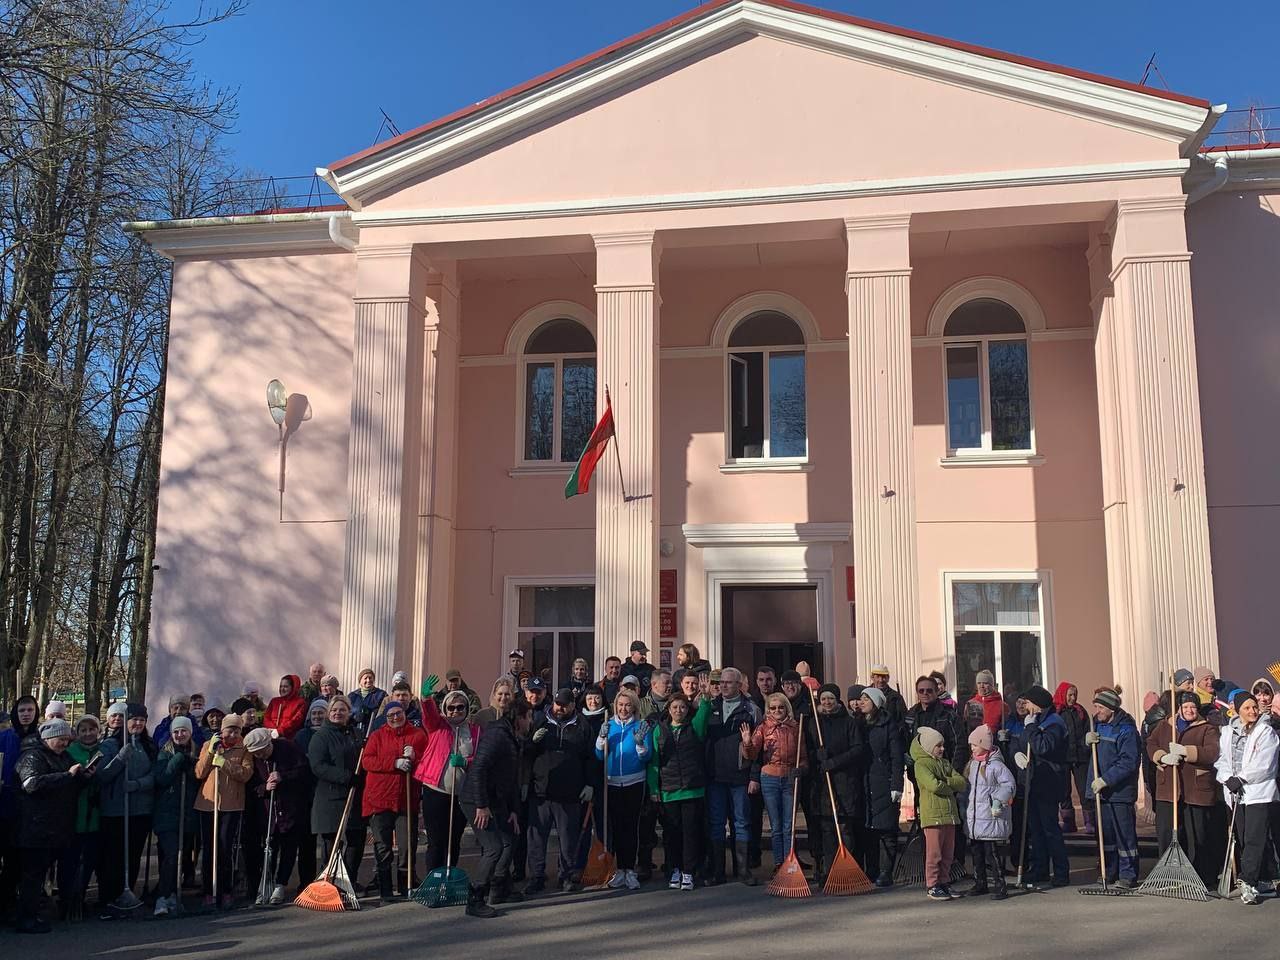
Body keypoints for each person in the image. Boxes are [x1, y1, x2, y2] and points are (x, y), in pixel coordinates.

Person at [460, 697, 533, 918]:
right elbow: (479, 769)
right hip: (475, 799)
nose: (531, 722)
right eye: (529, 717)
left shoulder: (511, 737)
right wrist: (481, 806)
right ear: (519, 718)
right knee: (494, 848)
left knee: (511, 838)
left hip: (496, 799)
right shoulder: (497, 735)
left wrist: (513, 810)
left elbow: (509, 779)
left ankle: (499, 887)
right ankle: (475, 897)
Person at [13, 718, 88, 934]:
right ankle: (26, 918)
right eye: (60, 739)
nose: (65, 743)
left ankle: (36, 913)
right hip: (35, 827)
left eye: (67, 739)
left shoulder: (63, 756)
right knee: (32, 876)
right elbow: (31, 784)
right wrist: (67, 775)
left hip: (55, 827)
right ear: (47, 738)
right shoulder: (32, 756)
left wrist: (83, 777)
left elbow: (70, 785)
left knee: (40, 875)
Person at [1147, 690, 1222, 886]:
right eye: (1185, 707)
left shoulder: (1207, 728)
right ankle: (1169, 875)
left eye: (1193, 707)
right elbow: (1151, 743)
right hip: (1169, 789)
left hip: (1195, 790)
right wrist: (1162, 756)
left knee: (1196, 835)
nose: (1189, 710)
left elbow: (1212, 752)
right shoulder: (1165, 725)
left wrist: (1187, 752)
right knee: (1168, 833)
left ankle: (1199, 877)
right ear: (1179, 708)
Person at [527, 687, 595, 893]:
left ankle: (565, 876)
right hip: (541, 790)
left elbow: (590, 757)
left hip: (570, 792)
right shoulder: (540, 721)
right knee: (537, 837)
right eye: (558, 704)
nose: (560, 708)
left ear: (573, 705)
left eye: (565, 705)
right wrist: (532, 743)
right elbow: (526, 753)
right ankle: (537, 876)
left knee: (567, 838)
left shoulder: (582, 725)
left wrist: (590, 783)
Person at [1216, 689, 1279, 904]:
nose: (1252, 711)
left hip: (1259, 793)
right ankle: (1268, 877)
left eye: (1254, 707)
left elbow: (1265, 764)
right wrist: (1227, 778)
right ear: (1237, 711)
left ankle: (1248, 881)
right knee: (1244, 837)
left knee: (1254, 837)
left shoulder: (1265, 731)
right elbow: (1223, 759)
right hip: (1236, 793)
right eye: (1247, 708)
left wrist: (1242, 778)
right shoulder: (1227, 732)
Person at [360, 700, 428, 902]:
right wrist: (394, 763)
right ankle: (386, 890)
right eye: (391, 715)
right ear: (386, 717)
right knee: (383, 846)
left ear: (405, 714)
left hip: (406, 800)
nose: (395, 718)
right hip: (380, 799)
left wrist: (415, 757)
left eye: (398, 713)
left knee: (407, 846)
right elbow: (367, 761)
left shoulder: (418, 735)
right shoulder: (377, 736)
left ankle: (406, 885)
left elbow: (426, 761)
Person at [96, 703, 157, 918]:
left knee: (133, 855)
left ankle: (127, 893)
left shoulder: (149, 745)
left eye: (141, 720)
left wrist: (138, 784)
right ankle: (109, 898)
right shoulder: (110, 745)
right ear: (125, 721)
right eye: (133, 719)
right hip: (116, 810)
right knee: (113, 857)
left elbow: (155, 773)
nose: (137, 723)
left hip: (140, 810)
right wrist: (120, 758)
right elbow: (101, 775)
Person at [648, 691, 712, 891]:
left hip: (692, 790)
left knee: (691, 833)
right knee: (672, 834)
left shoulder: (694, 727)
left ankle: (688, 871)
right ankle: (674, 868)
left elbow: (704, 714)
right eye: (675, 707)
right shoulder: (659, 730)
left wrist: (706, 698)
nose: (679, 711)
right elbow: (654, 762)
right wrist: (654, 788)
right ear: (668, 709)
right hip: (669, 790)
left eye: (683, 707)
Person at [704, 667, 761, 886]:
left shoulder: (751, 710)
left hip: (740, 776)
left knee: (742, 823)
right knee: (717, 823)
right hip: (715, 776)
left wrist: (754, 776)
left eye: (728, 682)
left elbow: (758, 748)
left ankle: (743, 870)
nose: (723, 686)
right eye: (721, 682)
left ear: (739, 685)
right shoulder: (711, 707)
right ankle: (718, 871)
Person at [805, 683, 865, 886]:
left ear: (837, 700)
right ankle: (830, 872)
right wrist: (817, 755)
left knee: (844, 828)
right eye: (823, 699)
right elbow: (807, 750)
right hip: (823, 784)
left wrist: (834, 762)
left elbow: (857, 749)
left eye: (830, 698)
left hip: (844, 782)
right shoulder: (814, 723)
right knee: (827, 830)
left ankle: (848, 871)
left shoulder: (849, 723)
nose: (827, 702)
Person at [1013, 684, 1071, 888]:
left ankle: (1061, 871)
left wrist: (1030, 728)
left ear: (1037, 704)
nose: (1025, 706)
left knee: (1049, 829)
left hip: (1049, 782)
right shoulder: (1036, 720)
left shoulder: (1054, 723)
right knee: (1036, 829)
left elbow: (1042, 747)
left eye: (1028, 702)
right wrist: (1017, 753)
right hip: (1034, 780)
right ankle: (1040, 868)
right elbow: (1025, 744)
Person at [194, 712, 253, 909]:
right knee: (209, 848)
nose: (233, 735)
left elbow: (245, 774)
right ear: (222, 730)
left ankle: (226, 889)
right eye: (229, 730)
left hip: (231, 805)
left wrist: (224, 764)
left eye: (237, 731)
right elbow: (199, 772)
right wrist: (211, 752)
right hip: (208, 804)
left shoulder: (244, 748)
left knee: (225, 848)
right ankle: (208, 890)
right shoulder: (208, 745)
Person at [594, 688, 651, 890]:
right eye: (620, 705)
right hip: (612, 782)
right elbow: (599, 756)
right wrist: (601, 739)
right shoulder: (609, 725)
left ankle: (630, 869)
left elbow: (646, 756)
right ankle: (619, 870)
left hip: (634, 782)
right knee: (617, 828)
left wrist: (639, 744)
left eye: (627, 705)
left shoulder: (641, 726)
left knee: (631, 827)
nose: (623, 709)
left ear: (634, 707)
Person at [1083, 687, 1140, 888]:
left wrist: (1106, 780)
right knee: (1105, 836)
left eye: (1100, 707)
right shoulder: (1098, 725)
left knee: (1124, 836)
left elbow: (1128, 762)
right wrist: (1086, 742)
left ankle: (1128, 874)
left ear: (1111, 709)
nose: (1097, 711)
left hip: (1120, 793)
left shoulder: (1126, 730)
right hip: (1102, 793)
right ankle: (1108, 871)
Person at [308, 695, 366, 891]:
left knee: (356, 841)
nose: (338, 713)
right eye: (334, 710)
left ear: (349, 712)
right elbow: (318, 766)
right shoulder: (321, 736)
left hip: (354, 796)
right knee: (332, 844)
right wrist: (346, 777)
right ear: (328, 713)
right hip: (330, 798)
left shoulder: (356, 734)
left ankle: (348, 882)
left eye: (342, 710)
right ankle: (329, 883)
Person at [743, 692, 806, 872]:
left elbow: (803, 756)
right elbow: (751, 755)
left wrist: (801, 769)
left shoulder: (796, 727)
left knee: (789, 825)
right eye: (773, 708)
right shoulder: (763, 728)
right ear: (768, 710)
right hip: (769, 777)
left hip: (790, 777)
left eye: (780, 707)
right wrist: (747, 743)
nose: (777, 710)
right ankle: (779, 863)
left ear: (787, 708)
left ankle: (790, 863)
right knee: (776, 825)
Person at [912, 726, 967, 900]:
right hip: (933, 816)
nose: (942, 749)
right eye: (938, 745)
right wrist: (950, 786)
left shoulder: (945, 763)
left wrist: (946, 781)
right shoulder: (921, 764)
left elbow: (961, 782)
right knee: (934, 853)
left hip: (949, 815)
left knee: (948, 853)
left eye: (942, 745)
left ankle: (944, 881)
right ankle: (932, 884)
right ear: (929, 746)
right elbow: (933, 785)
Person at [151, 716, 199, 916]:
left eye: (183, 731)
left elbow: (198, 778)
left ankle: (173, 893)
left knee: (181, 856)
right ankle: (162, 897)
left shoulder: (196, 752)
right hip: (167, 815)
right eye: (176, 732)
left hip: (187, 814)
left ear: (190, 732)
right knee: (171, 855)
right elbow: (162, 778)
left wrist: (190, 765)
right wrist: (178, 760)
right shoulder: (164, 754)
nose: (180, 735)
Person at [964, 725, 1014, 900]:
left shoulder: (996, 766)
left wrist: (998, 801)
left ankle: (1000, 885)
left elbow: (1009, 785)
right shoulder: (972, 764)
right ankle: (980, 882)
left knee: (991, 853)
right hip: (976, 818)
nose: (972, 748)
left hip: (989, 818)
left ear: (984, 745)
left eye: (975, 745)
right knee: (976, 853)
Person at [0, 694, 41, 908]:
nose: (26, 714)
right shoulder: (5, 737)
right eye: (22, 710)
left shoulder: (40, 739)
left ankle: (15, 902)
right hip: (5, 805)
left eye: (30, 710)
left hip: (30, 809)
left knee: (19, 860)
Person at [64, 715, 103, 914]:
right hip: (75, 813)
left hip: (95, 813)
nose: (88, 734)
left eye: (91, 729)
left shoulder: (103, 750)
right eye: (83, 730)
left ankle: (81, 896)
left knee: (89, 859)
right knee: (71, 860)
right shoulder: (70, 752)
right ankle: (68, 899)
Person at [1054, 682, 1091, 835]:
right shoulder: (1056, 712)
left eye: (1074, 694)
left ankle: (1090, 821)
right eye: (1069, 695)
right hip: (1062, 757)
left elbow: (1087, 729)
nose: (1073, 698)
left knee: (1084, 789)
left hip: (1080, 757)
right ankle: (1068, 822)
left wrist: (1085, 746)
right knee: (1064, 790)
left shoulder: (1080, 711)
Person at [264, 675, 307, 740]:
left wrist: (280, 731)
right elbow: (266, 717)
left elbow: (295, 721)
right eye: (281, 686)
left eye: (285, 687)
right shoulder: (274, 701)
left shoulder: (300, 703)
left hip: (289, 739)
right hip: (271, 736)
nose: (282, 689)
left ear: (293, 688)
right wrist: (273, 730)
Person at [349, 668, 387, 738]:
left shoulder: (381, 694)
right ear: (360, 681)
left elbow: (384, 713)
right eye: (365, 678)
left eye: (370, 678)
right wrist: (355, 715)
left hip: (373, 730)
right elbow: (347, 712)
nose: (368, 680)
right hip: (354, 731)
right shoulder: (352, 696)